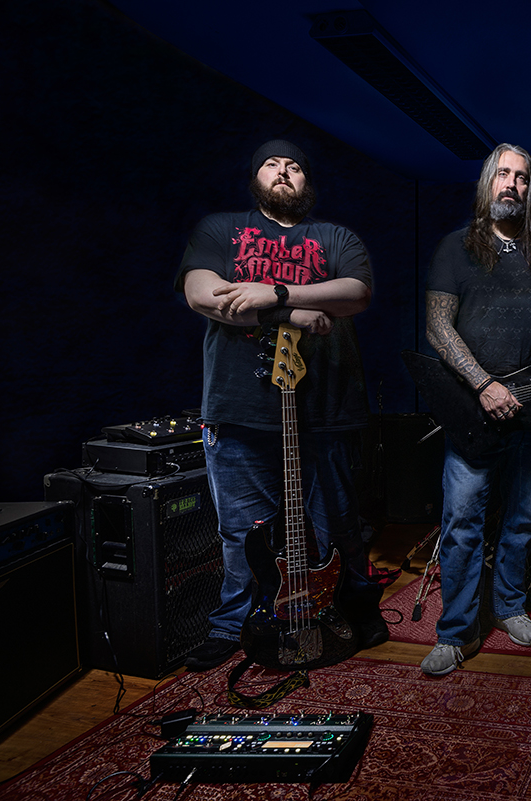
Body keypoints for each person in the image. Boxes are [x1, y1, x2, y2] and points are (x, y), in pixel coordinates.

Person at [176, 139, 386, 671]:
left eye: (295, 166)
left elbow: (356, 292)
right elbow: (203, 294)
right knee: (243, 532)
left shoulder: (335, 236)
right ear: (257, 178)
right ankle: (235, 625)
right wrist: (291, 315)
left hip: (326, 407)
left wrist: (275, 293)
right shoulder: (220, 230)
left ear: (306, 181)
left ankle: (353, 611)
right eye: (273, 164)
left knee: (337, 522)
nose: (285, 171)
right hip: (237, 405)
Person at [421, 143, 531, 677]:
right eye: (503, 174)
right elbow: (437, 326)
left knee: (521, 521)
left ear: (530, 189)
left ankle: (508, 606)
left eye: (522, 178)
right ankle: (455, 633)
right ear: (487, 183)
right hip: (473, 410)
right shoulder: (455, 248)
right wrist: (482, 384)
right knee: (462, 524)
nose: (512, 185)